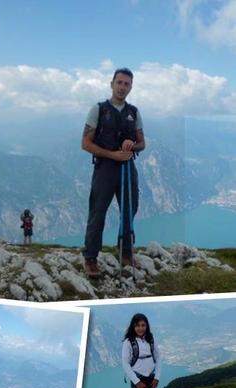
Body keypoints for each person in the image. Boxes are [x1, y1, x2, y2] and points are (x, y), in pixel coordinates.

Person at [81, 67, 145, 277]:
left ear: (131, 87)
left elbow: (142, 143)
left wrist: (131, 146)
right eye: (119, 82)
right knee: (98, 212)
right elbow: (85, 143)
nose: (122, 87)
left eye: (126, 84)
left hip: (127, 167)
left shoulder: (133, 112)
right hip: (105, 168)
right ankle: (90, 258)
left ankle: (126, 253)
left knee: (130, 209)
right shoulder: (99, 109)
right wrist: (112, 154)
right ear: (112, 84)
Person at [122, 313, 160, 388]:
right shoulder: (128, 342)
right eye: (137, 325)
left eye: (143, 325)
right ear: (133, 326)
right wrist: (136, 382)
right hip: (138, 379)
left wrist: (157, 377)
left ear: (147, 326)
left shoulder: (151, 339)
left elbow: (158, 358)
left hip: (151, 378)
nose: (140, 328)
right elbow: (125, 363)